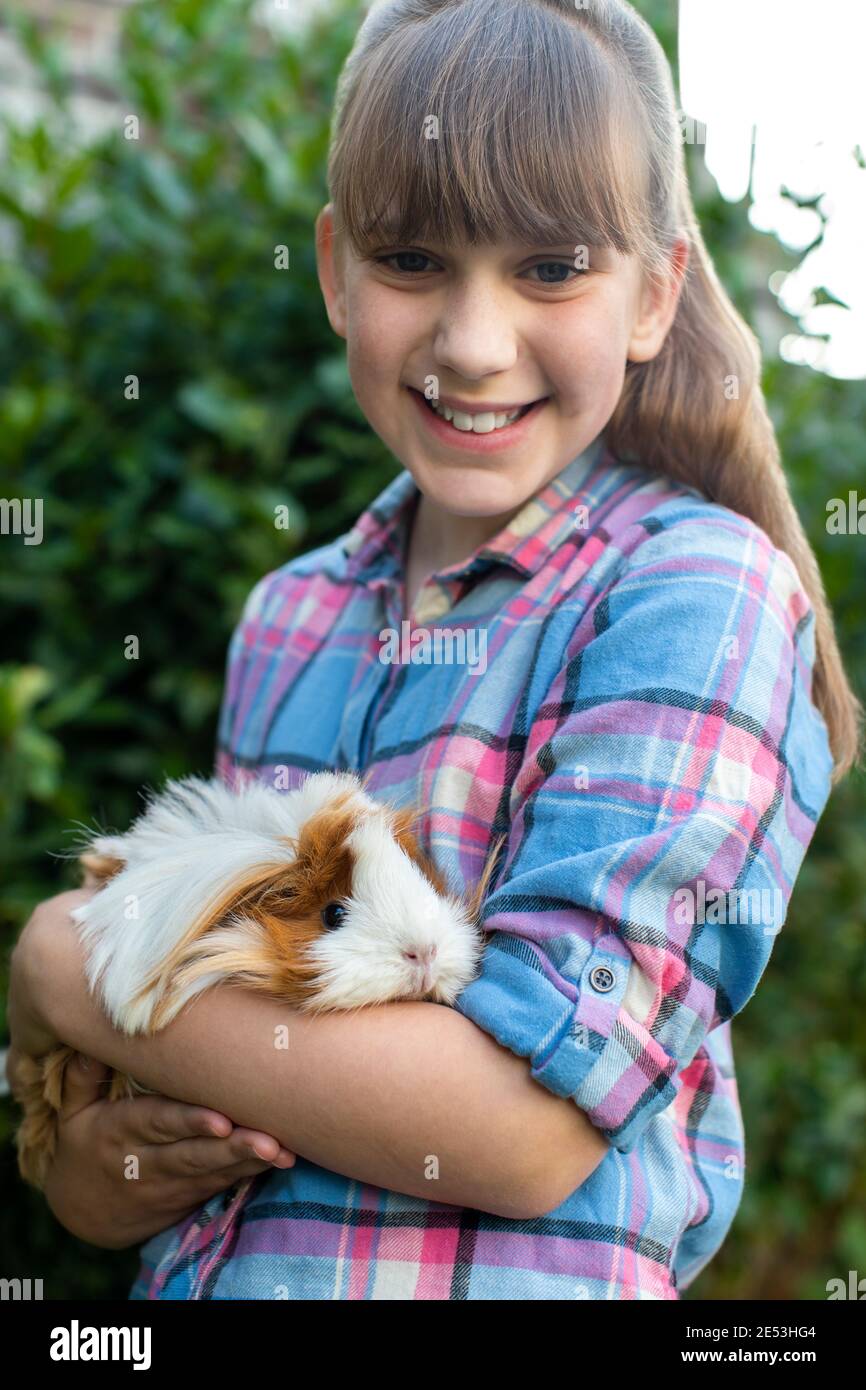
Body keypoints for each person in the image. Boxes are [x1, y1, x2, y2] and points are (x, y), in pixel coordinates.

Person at [8, 0, 859, 1299]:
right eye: (412, 260)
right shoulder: (288, 619)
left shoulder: (695, 588)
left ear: (653, 292)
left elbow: (517, 1130)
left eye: (551, 266)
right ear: (337, 269)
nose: (471, 342)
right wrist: (114, 1154)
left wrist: (66, 961)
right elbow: (98, 1174)